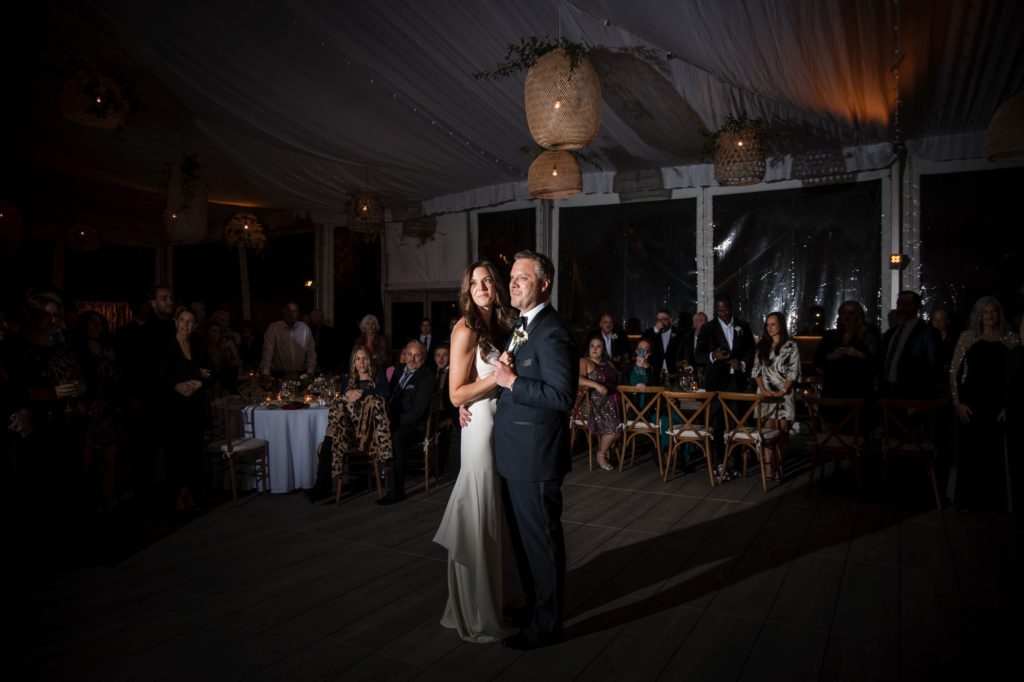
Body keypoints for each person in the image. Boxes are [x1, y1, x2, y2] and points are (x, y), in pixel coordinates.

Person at [491, 250, 577, 650]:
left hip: (536, 456)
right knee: (525, 542)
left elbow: (561, 395)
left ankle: (548, 625)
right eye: (511, 276)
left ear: (544, 284)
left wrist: (511, 382)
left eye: (522, 277)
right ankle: (533, 608)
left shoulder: (553, 330)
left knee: (541, 543)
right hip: (514, 453)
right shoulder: (523, 325)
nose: (512, 282)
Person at [433, 260, 517, 643]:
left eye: (487, 281)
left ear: (496, 287)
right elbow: (455, 394)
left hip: (502, 424)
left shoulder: (501, 324)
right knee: (481, 512)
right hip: (480, 427)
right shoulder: (465, 328)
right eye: (474, 283)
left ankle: (497, 597)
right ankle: (477, 609)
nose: (482, 287)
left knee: (496, 513)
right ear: (466, 291)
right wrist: (492, 380)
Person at [950, 297, 1019, 512]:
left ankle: (996, 503)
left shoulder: (1011, 340)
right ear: (979, 315)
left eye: (994, 311)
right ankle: (969, 501)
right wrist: (958, 403)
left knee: (996, 455)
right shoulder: (967, 338)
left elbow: (1016, 377)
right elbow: (954, 373)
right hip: (972, 403)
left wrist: (1009, 406)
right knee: (972, 454)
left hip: (999, 404)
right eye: (986, 312)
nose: (990, 316)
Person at [310, 346, 392, 502]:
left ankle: (323, 487)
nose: (361, 362)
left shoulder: (378, 377)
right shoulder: (348, 379)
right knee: (330, 431)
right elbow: (341, 401)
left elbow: (386, 393)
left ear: (370, 361)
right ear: (353, 362)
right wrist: (347, 393)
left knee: (326, 442)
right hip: (349, 428)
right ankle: (322, 486)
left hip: (370, 430)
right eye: (358, 359)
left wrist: (360, 393)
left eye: (365, 358)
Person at [696, 294, 755, 481]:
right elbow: (698, 355)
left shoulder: (743, 326)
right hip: (715, 384)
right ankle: (718, 464)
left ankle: (736, 463)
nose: (724, 313)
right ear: (715, 310)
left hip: (736, 382)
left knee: (737, 424)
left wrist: (743, 364)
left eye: (727, 310)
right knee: (717, 425)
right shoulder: (707, 328)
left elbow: (750, 350)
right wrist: (713, 356)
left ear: (732, 308)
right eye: (720, 311)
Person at [160, 308, 213, 512]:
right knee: (176, 454)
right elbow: (163, 373)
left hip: (195, 406)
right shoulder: (166, 344)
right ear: (176, 321)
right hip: (175, 407)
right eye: (181, 320)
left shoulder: (197, 343)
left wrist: (199, 383)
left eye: (189, 321)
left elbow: (212, 372)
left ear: (195, 325)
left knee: (194, 454)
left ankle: (193, 494)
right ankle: (178, 493)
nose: (185, 325)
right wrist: (193, 373)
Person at [378, 339, 436, 504]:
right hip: (393, 420)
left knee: (397, 436)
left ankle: (396, 491)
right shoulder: (397, 371)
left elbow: (417, 413)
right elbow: (388, 396)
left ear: (423, 357)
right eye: (409, 354)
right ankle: (362, 478)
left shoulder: (427, 377)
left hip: (415, 427)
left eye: (416, 356)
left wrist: (391, 422)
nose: (411, 359)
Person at [752, 312, 801, 480]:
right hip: (765, 394)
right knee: (767, 431)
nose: (770, 327)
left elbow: (793, 372)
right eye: (767, 324)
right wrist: (764, 390)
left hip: (784, 395)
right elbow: (755, 372)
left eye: (773, 324)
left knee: (782, 431)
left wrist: (783, 391)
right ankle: (767, 470)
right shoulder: (762, 346)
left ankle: (779, 465)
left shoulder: (791, 346)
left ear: (781, 325)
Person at [878, 291, 940, 398]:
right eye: (899, 305)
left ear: (917, 307)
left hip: (912, 395)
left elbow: (932, 368)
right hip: (887, 393)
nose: (901, 308)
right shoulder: (891, 333)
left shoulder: (928, 333)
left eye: (905, 305)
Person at [812, 300, 877, 399]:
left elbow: (876, 362)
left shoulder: (867, 337)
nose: (847, 316)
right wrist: (831, 356)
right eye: (843, 313)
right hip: (833, 389)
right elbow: (817, 359)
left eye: (851, 313)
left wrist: (858, 354)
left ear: (857, 316)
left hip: (858, 391)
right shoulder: (830, 336)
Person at [579, 336, 621, 471]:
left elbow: (617, 382)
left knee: (621, 428)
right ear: (589, 349)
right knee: (614, 429)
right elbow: (577, 379)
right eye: (592, 346)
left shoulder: (609, 364)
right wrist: (595, 384)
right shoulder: (584, 361)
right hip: (591, 404)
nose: (595, 349)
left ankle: (606, 447)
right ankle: (601, 454)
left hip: (610, 403)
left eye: (599, 346)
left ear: (603, 350)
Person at [260, 302, 316, 377]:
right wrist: (265, 372)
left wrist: (310, 371)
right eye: (289, 310)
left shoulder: (304, 328)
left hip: (301, 374)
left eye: (294, 311)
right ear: (284, 312)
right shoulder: (274, 328)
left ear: (298, 314)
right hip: (279, 374)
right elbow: (268, 351)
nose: (291, 314)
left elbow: (311, 352)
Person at [641, 309, 682, 380]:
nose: (661, 322)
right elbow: (643, 347)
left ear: (670, 320)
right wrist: (656, 330)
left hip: (673, 373)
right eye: (658, 319)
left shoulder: (679, 333)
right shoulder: (649, 333)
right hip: (655, 373)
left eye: (664, 319)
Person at [309, 309, 341, 375]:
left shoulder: (330, 331)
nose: (312, 319)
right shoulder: (309, 331)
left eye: (315, 316)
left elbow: (333, 349)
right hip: (311, 363)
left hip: (326, 365)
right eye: (311, 317)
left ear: (321, 317)